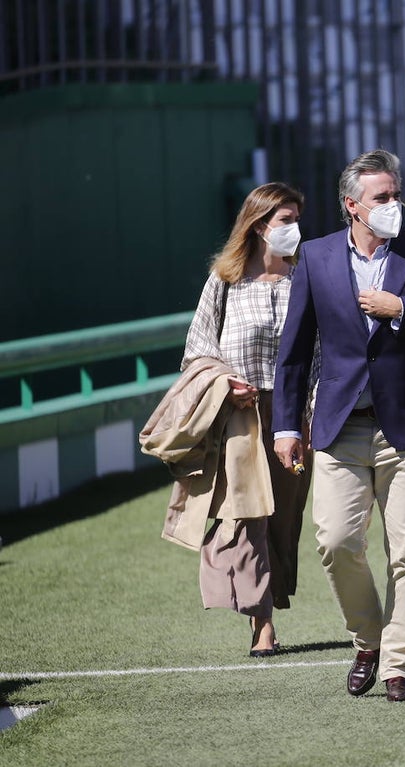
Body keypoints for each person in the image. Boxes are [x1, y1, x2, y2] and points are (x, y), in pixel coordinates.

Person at [271, 149, 405, 701]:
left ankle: (398, 667)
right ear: (352, 206)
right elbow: (292, 353)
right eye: (381, 198)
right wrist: (285, 426)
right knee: (336, 541)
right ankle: (369, 638)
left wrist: (404, 308)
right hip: (340, 426)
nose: (393, 205)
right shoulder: (315, 258)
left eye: (394, 195)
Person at [144, 182, 310, 658]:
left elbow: (320, 349)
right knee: (249, 514)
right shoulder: (226, 278)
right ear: (259, 226)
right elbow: (197, 348)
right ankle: (262, 624)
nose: (294, 229)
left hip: (295, 413)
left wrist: (309, 415)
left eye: (297, 218)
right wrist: (227, 382)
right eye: (285, 220)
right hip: (240, 414)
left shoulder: (308, 277)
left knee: (284, 515)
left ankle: (271, 596)